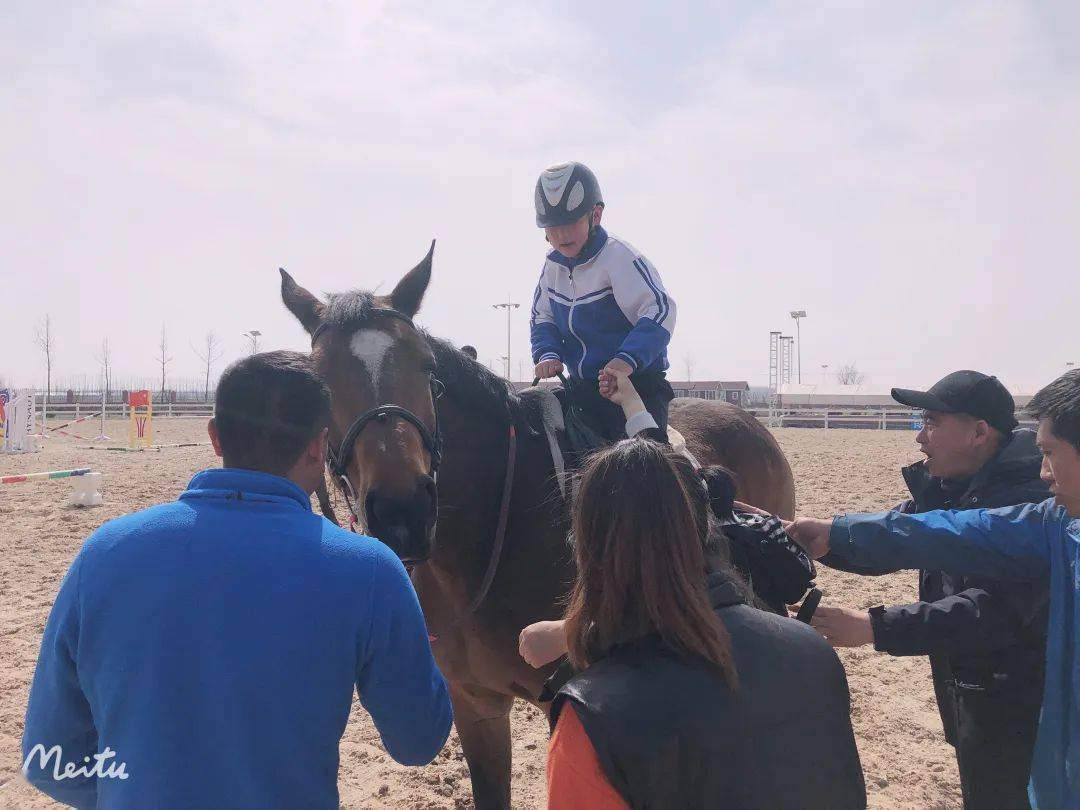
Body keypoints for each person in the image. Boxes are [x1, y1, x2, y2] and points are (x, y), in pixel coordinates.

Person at [21, 352, 452, 809]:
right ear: (319, 446)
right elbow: (418, 739)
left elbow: (48, 762)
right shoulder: (370, 572)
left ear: (214, 436)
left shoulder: (104, 553)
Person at [522, 408, 864, 806]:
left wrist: (577, 629)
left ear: (587, 546)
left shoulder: (592, 720)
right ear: (706, 528)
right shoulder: (813, 651)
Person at [787, 370, 1080, 810]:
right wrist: (833, 534)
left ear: (980, 432)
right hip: (978, 697)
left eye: (1051, 453)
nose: (1044, 471)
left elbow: (992, 611)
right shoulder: (1041, 516)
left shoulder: (1047, 516)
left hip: (1018, 706)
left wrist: (875, 627)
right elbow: (931, 533)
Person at [529, 161, 677, 443]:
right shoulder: (551, 267)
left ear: (595, 215)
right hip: (583, 390)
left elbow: (660, 310)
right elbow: (542, 318)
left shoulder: (619, 257)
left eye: (570, 223)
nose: (561, 235)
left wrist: (625, 361)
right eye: (553, 226)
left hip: (636, 388)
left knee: (645, 471)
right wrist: (547, 354)